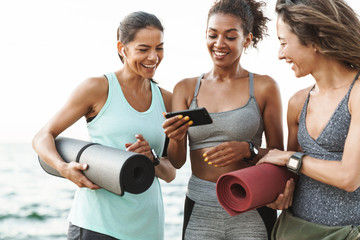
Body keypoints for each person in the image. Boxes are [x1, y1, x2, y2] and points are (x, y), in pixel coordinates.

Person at [32, 11, 176, 240]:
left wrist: (153, 158)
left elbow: (170, 174)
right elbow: (42, 136)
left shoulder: (167, 100)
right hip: (96, 225)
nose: (153, 57)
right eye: (143, 49)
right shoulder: (98, 88)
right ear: (122, 48)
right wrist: (63, 168)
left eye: (159, 48)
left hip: (147, 228)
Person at [162, 0, 288, 239]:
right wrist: (176, 138)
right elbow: (177, 162)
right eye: (213, 35)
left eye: (230, 37)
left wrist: (248, 150)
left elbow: (278, 154)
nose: (219, 44)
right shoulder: (186, 88)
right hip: (200, 205)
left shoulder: (264, 86)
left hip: (251, 203)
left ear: (247, 39)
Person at [257, 0, 360, 239]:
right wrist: (279, 195)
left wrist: (287, 157)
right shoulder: (297, 102)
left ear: (313, 40)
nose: (280, 54)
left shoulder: (357, 93)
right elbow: (290, 175)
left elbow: (349, 177)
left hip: (346, 233)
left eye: (283, 43)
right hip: (293, 230)